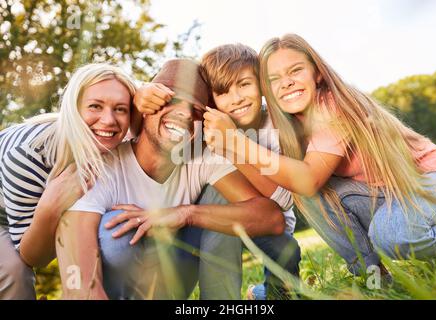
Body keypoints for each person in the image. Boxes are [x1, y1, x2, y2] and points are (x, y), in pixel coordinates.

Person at [204, 33, 436, 277]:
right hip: (384, 191)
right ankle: (373, 277)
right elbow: (283, 192)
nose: (286, 82)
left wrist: (235, 142)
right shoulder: (287, 123)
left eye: (295, 70)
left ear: (317, 73)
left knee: (392, 234)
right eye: (274, 78)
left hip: (430, 179)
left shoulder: (333, 105)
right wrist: (230, 147)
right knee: (311, 193)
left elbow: (308, 180)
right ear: (267, 88)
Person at [55, 58, 285, 300]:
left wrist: (187, 213)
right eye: (171, 101)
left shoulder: (201, 159)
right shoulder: (101, 168)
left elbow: (271, 218)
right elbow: (80, 284)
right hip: (111, 291)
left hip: (169, 283)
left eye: (196, 111)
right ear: (145, 108)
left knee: (221, 205)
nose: (184, 114)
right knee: (116, 230)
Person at [138, 44, 301, 300]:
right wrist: (140, 92)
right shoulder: (202, 134)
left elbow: (284, 200)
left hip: (270, 223)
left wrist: (234, 144)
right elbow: (149, 125)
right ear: (212, 102)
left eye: (244, 84)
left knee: (284, 250)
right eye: (223, 92)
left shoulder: (278, 126)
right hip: (219, 222)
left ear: (261, 84)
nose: (236, 98)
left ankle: (269, 294)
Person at [0, 62, 141, 299]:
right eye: (95, 106)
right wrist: (50, 208)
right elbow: (34, 257)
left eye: (120, 109)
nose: (108, 120)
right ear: (73, 109)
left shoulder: (121, 141)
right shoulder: (29, 154)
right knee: (14, 272)